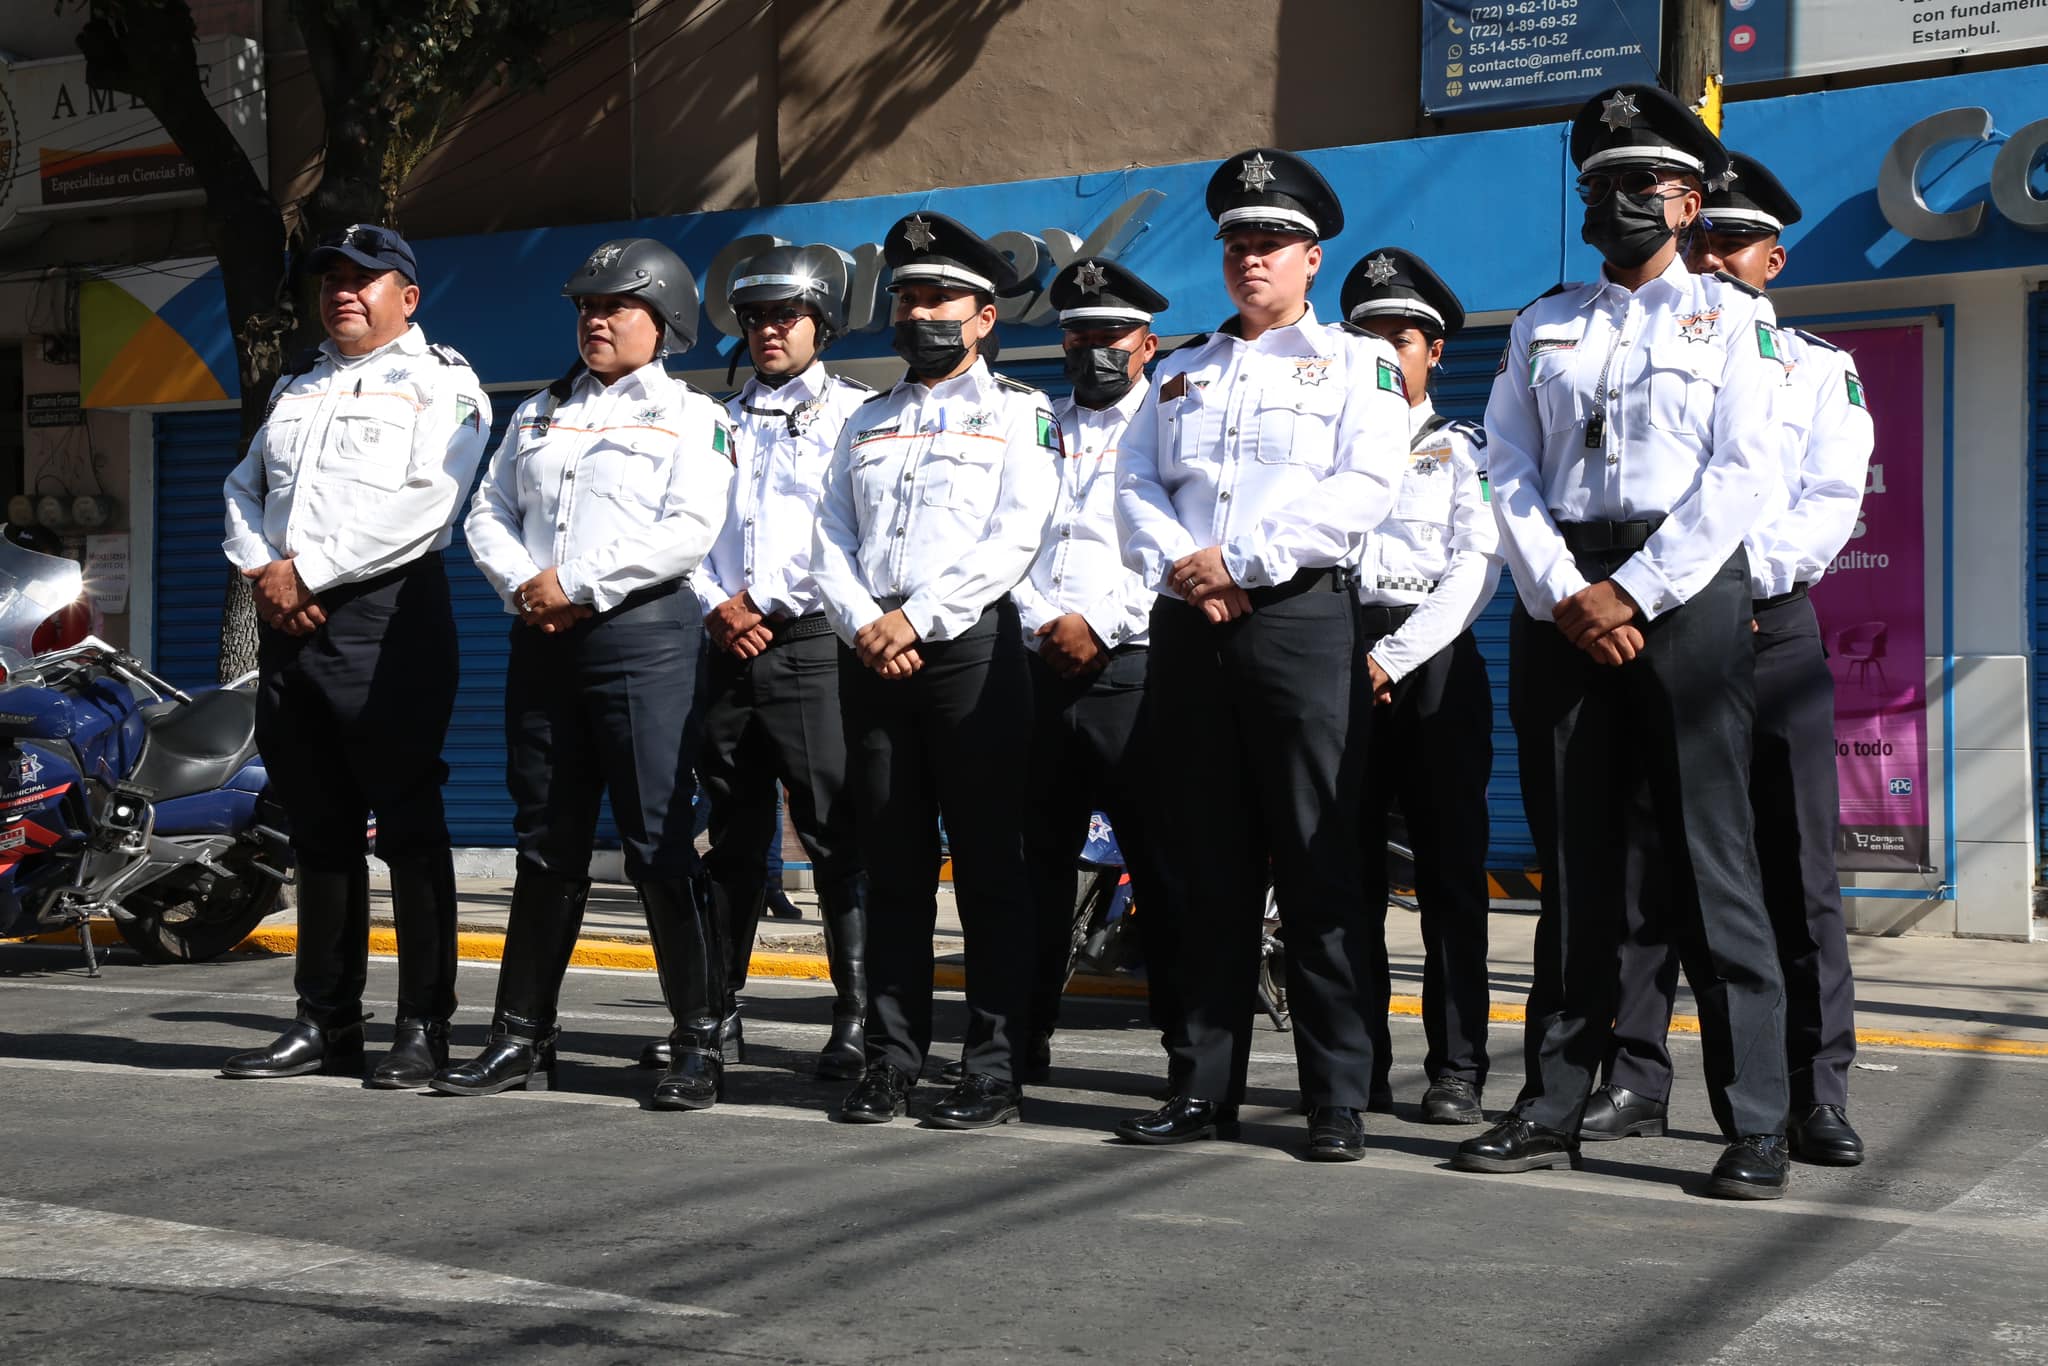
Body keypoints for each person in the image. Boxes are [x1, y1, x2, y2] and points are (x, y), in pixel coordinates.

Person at [1452, 85, 1793, 1198]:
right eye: (1599, 183)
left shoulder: (1736, 321)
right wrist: (1561, 589)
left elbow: (1744, 473)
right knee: (1576, 870)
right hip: (1560, 602)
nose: (1616, 200)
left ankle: (1753, 1120)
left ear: (1688, 201)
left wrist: (1633, 592)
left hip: (1681, 593)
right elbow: (1501, 464)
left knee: (1711, 864)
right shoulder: (1542, 321)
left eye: (1640, 182)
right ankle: (1551, 1100)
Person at [1112, 149, 1409, 1161]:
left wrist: (1236, 561)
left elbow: (1362, 488)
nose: (1250, 259)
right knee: (1205, 868)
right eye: (1237, 242)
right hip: (1192, 629)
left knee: (1319, 862)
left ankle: (1333, 1094)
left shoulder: (1359, 368)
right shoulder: (1180, 369)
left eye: (1270, 243)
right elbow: (1131, 489)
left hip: (1296, 624)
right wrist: (1191, 572)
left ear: (1310, 258)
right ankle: (1201, 1086)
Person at [1583, 153, 1872, 1166]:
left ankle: (1810, 1090)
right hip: (1667, 611)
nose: (1706, 258)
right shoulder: (1638, 338)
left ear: (1769, 256)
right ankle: (1632, 1073)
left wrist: (1743, 589)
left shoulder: (1814, 365)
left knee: (1791, 868)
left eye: (1725, 243)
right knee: (1643, 856)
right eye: (1698, 241)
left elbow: (1824, 498)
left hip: (1766, 625)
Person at [431, 237, 736, 1110]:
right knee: (544, 842)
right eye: (586, 308)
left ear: (666, 320)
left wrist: (578, 585)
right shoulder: (536, 413)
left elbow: (688, 528)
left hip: (643, 637)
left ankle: (697, 1042)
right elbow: (487, 510)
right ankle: (520, 1037)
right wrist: (525, 586)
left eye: (616, 308)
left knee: (656, 841)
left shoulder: (692, 415)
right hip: (543, 638)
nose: (595, 321)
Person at [219, 224, 487, 1086]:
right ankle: (325, 1019)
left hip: (386, 617)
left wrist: (312, 575)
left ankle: (423, 1026)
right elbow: (242, 487)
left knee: (408, 830)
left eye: (364, 278)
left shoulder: (441, 382)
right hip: (289, 616)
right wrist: (265, 569)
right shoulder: (297, 387)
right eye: (331, 277)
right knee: (318, 832)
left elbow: (430, 500)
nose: (343, 290)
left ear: (406, 297)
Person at [811, 211, 1057, 1129]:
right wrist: (866, 622)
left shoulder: (1021, 415)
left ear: (984, 316)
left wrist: (917, 618)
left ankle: (991, 1067)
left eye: (940, 298)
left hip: (969, 655)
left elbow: (1016, 535)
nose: (920, 313)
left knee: (991, 867)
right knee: (895, 869)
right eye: (909, 297)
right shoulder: (864, 419)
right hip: (871, 656)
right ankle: (890, 1060)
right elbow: (828, 534)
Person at [681, 243, 873, 1081]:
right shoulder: (708, 419)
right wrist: (716, 604)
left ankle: (858, 1017)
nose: (767, 331)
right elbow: (682, 527)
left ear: (821, 324)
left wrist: (769, 603)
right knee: (730, 838)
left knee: (837, 834)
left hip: (811, 645)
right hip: (724, 643)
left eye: (784, 317)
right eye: (755, 317)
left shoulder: (860, 416)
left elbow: (854, 534)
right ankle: (716, 1017)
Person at [1337, 246, 1503, 1126]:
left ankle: (1458, 1069)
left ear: (1434, 353)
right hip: (1337, 659)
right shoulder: (1324, 448)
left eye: (1401, 338)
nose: (1384, 354)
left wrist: (1392, 660)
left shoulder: (1460, 448)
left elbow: (1477, 571)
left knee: (1448, 879)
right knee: (1346, 877)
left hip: (1431, 665)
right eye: (1365, 336)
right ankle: (1356, 1063)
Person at [1007, 256, 1173, 1083]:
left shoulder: (1175, 422)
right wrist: (1045, 621)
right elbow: (1007, 533)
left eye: (1110, 335)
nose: (1093, 351)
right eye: (1078, 336)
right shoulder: (1035, 424)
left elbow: (1172, 545)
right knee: (1033, 870)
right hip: (1040, 666)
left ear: (1146, 342)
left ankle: (1188, 1061)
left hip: (1136, 668)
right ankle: (1019, 1041)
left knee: (1163, 866)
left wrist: (1099, 626)